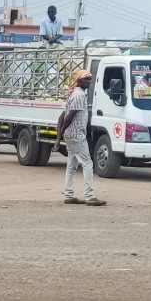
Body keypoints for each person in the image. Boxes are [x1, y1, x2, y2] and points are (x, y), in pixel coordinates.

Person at [57, 69, 106, 206]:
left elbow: (62, 115)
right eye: (86, 80)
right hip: (76, 135)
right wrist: (60, 134)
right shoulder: (78, 95)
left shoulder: (74, 94)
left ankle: (68, 194)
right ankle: (90, 196)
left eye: (90, 80)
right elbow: (69, 116)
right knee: (88, 164)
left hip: (72, 134)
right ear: (79, 81)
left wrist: (60, 135)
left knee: (71, 166)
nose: (89, 82)